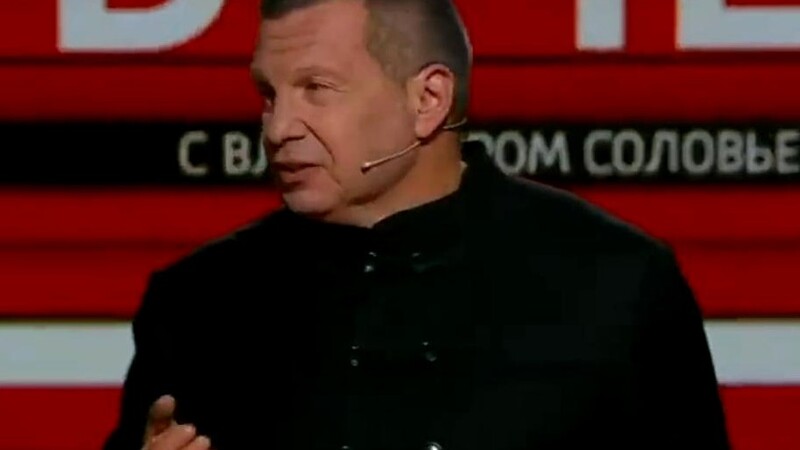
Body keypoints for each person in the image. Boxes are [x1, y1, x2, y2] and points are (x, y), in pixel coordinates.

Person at [103, 0, 731, 449]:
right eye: (270, 94)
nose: (278, 128)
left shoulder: (615, 283)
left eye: (316, 88)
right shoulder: (196, 303)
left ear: (428, 100)